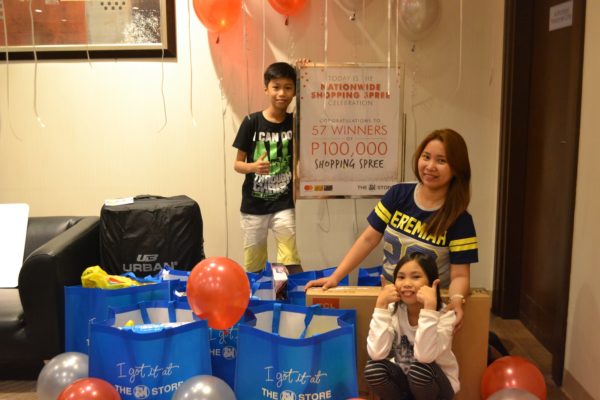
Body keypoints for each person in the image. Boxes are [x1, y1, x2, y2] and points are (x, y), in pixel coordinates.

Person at [305, 129, 478, 328]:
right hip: (391, 298)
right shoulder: (398, 194)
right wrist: (336, 277)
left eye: (441, 161)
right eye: (426, 157)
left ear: (456, 168)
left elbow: (460, 275)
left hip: (428, 308)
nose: (430, 166)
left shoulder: (460, 219)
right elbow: (368, 239)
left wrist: (456, 300)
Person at [232, 61, 302, 274]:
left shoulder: (295, 122)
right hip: (253, 205)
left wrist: (304, 72)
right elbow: (237, 164)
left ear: (295, 91)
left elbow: (314, 106)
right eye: (276, 87)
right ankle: (258, 303)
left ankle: (289, 302)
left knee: (289, 260)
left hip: (283, 203)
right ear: (266, 88)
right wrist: (253, 166)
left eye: (288, 87)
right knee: (254, 265)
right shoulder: (251, 122)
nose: (282, 93)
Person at [365, 252, 458, 399]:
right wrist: (380, 306)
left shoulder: (445, 315)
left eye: (415, 277)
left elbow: (424, 357)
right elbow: (376, 353)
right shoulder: (393, 309)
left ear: (431, 283)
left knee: (419, 370)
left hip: (437, 386)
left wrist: (429, 309)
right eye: (401, 277)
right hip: (405, 384)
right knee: (373, 369)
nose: (407, 283)